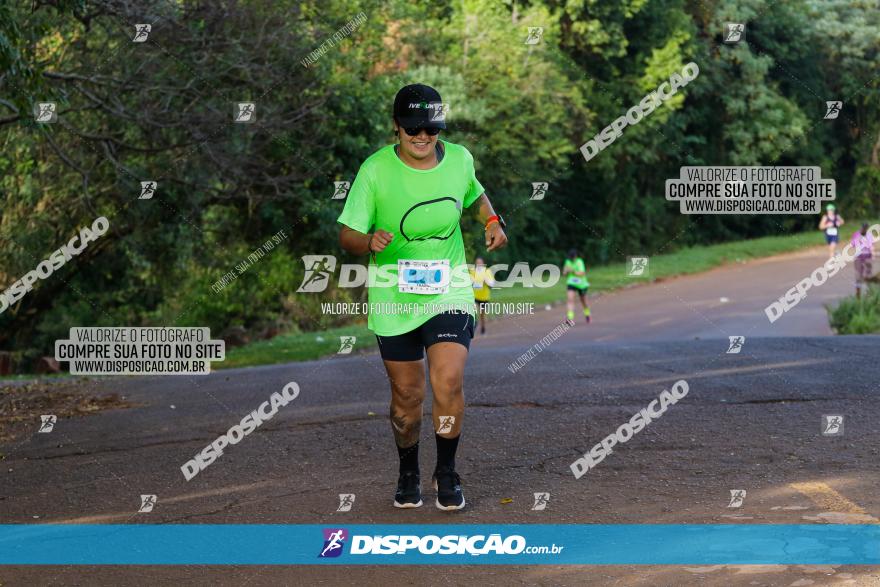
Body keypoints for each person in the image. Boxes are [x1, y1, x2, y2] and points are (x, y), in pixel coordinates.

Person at [338, 83, 508, 511]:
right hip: (394, 295)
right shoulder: (375, 171)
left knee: (448, 381)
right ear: (396, 126)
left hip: (448, 287)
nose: (422, 137)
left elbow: (474, 190)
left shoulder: (460, 158)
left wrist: (491, 218)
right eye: (413, 128)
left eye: (431, 129)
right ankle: (409, 468)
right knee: (407, 398)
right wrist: (368, 241)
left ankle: (446, 470)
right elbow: (347, 235)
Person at [563, 249, 590, 323]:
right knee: (570, 299)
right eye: (570, 258)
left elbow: (582, 273)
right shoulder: (567, 262)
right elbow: (564, 273)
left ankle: (587, 313)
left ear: (575, 256)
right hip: (571, 283)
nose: (571, 259)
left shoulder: (579, 262)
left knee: (583, 300)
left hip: (581, 284)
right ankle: (570, 318)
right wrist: (566, 271)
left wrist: (572, 271)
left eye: (573, 257)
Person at [469, 257, 496, 335]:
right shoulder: (472, 271)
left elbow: (492, 284)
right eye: (477, 263)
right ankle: (475, 322)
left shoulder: (487, 271)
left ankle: (483, 327)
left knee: (482, 314)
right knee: (473, 311)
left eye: (480, 262)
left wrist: (486, 280)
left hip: (484, 296)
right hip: (474, 296)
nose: (479, 264)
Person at [851, 223, 874, 299]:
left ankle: (860, 295)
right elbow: (871, 247)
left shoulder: (856, 234)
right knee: (866, 275)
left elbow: (852, 245)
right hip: (865, 256)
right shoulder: (868, 235)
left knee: (860, 276)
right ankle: (865, 294)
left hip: (860, 256)